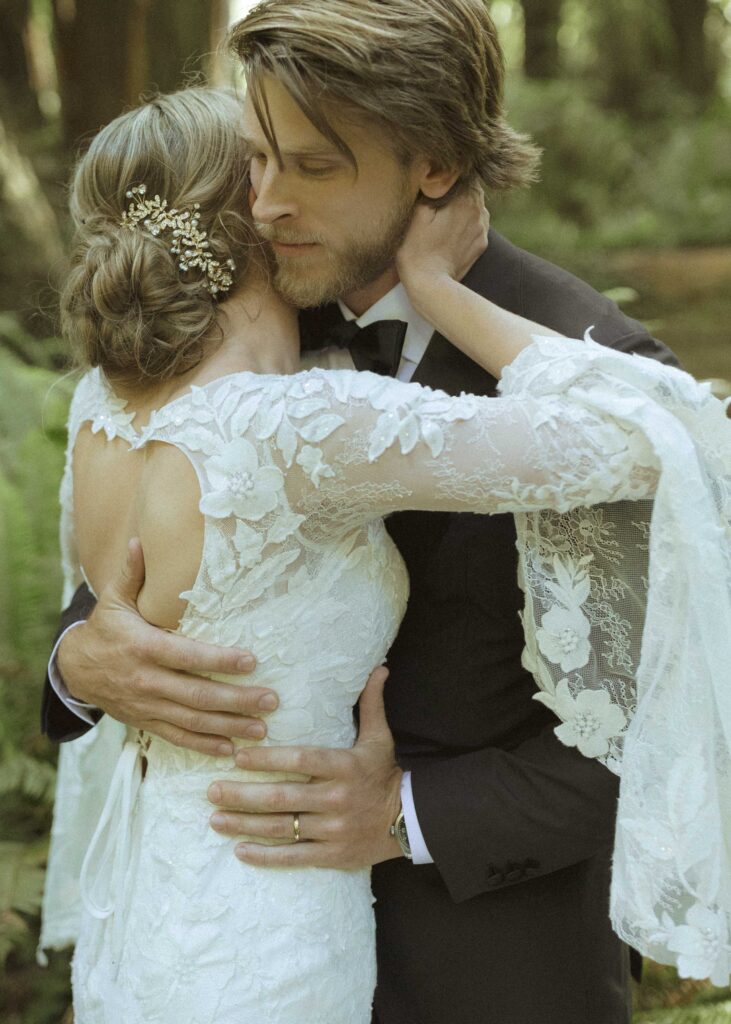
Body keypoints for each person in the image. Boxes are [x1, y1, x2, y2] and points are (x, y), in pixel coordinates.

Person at [39, 3, 730, 1022]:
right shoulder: (234, 303)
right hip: (219, 943)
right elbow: (128, 566)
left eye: (312, 167)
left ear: (436, 166)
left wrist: (405, 814)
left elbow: (696, 704)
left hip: (486, 974)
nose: (267, 203)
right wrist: (81, 664)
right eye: (257, 161)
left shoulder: (596, 367)